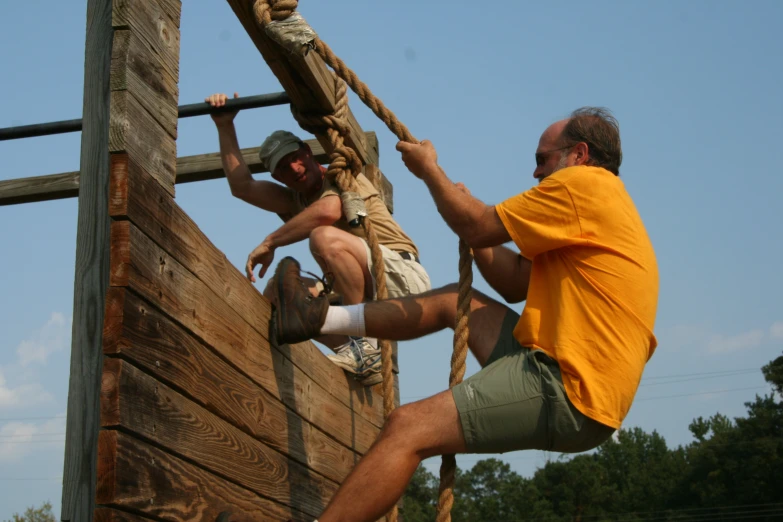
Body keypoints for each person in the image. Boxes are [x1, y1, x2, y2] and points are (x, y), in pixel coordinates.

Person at [268, 107, 660, 522]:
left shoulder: (586, 186)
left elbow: (478, 226)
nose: (536, 173)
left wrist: (430, 173)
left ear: (579, 154)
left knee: (408, 427)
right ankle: (319, 320)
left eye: (542, 159)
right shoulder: (596, 210)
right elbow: (512, 280)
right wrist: (467, 214)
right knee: (453, 300)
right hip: (559, 365)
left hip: (569, 386)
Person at [205, 92, 432, 385]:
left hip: (402, 278)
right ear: (277, 178)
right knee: (279, 291)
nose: (294, 169)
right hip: (365, 292)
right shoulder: (294, 201)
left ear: (308, 152)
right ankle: (358, 355)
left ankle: (365, 343)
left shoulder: (341, 176)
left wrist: (270, 241)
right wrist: (224, 126)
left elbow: (329, 210)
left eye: (295, 159)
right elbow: (243, 186)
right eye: (283, 168)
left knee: (323, 237)